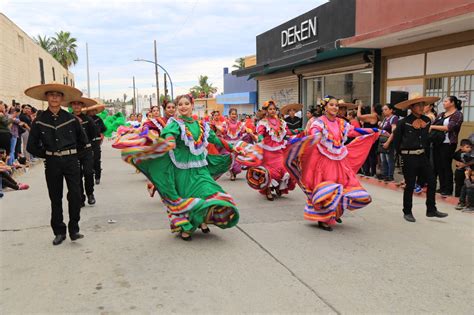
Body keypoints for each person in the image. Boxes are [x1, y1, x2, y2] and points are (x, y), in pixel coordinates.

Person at [114, 94, 240, 241]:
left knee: (210, 191)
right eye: (180, 104)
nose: (183, 107)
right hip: (182, 170)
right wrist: (168, 143)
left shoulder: (201, 125)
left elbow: (214, 138)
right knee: (189, 198)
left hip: (200, 168)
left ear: (192, 105)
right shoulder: (174, 123)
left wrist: (232, 148)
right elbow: (169, 137)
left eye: (186, 103)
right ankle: (188, 226)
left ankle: (202, 220)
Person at [284, 96, 382, 231]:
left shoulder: (341, 123)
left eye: (336, 105)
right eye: (332, 105)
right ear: (325, 108)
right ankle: (324, 218)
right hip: (323, 161)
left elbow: (354, 131)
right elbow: (314, 133)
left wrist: (373, 131)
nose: (335, 107)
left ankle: (334, 212)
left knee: (342, 185)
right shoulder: (319, 122)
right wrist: (312, 136)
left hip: (339, 161)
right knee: (327, 187)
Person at [25, 82, 87, 245]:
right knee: (55, 197)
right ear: (46, 97)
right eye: (51, 94)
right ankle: (59, 231)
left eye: (57, 95)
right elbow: (31, 146)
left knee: (75, 195)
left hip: (71, 161)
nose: (54, 97)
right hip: (52, 163)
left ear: (62, 98)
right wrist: (47, 154)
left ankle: (74, 229)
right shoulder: (39, 121)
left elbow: (83, 142)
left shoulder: (71, 119)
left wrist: (74, 156)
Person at [392, 95, 448, 222]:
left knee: (432, 181)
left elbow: (426, 140)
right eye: (418, 105)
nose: (422, 107)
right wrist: (402, 156)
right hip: (408, 157)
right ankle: (407, 211)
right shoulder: (403, 122)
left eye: (423, 105)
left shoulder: (427, 120)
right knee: (410, 185)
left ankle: (431, 209)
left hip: (423, 156)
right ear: (411, 107)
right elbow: (396, 142)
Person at [246, 101, 298, 201]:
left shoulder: (281, 122)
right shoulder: (263, 122)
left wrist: (297, 131)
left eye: (274, 109)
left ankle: (279, 187)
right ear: (266, 111)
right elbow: (260, 133)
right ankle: (268, 190)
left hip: (279, 150)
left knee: (283, 168)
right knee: (270, 172)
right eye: (270, 109)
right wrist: (260, 138)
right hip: (268, 151)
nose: (272, 111)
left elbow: (286, 132)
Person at [431, 96, 464, 197]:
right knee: (438, 165)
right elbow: (433, 123)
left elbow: (449, 127)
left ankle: (448, 189)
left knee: (446, 165)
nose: (443, 103)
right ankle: (442, 186)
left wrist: (432, 126)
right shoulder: (441, 114)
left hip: (449, 143)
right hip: (438, 142)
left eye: (446, 101)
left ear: (452, 103)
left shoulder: (458, 114)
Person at [69, 97, 98, 207]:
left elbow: (94, 133)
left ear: (82, 106)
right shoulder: (68, 118)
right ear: (71, 106)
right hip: (73, 152)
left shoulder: (88, 119)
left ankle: (90, 193)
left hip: (86, 150)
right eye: (74, 104)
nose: (76, 106)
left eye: (79, 104)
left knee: (88, 172)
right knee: (77, 176)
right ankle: (80, 197)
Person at [222, 108, 255, 181]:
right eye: (232, 114)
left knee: (237, 160)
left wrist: (250, 132)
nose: (234, 115)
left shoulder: (240, 123)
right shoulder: (225, 123)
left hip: (237, 144)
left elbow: (244, 130)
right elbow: (223, 131)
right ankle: (231, 173)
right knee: (230, 158)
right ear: (229, 115)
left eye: (235, 114)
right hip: (228, 144)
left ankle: (234, 172)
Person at [357, 101, 382, 177]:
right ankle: (369, 171)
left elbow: (359, 116)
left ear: (373, 108)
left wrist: (359, 107)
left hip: (370, 138)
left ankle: (371, 172)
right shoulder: (376, 116)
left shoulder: (373, 115)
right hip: (372, 138)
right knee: (371, 154)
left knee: (370, 154)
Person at [86, 103, 107, 185]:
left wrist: (102, 135)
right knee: (88, 160)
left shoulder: (98, 119)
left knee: (96, 159)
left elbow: (103, 129)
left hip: (96, 141)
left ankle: (97, 176)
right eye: (91, 110)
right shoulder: (84, 119)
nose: (93, 112)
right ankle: (89, 175)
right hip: (86, 142)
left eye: (94, 110)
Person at [378, 104, 399, 182]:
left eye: (386, 109)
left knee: (389, 159)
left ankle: (390, 176)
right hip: (382, 140)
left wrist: (388, 142)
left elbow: (394, 132)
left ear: (391, 110)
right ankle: (385, 174)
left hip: (389, 141)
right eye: (383, 110)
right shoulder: (385, 119)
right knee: (383, 159)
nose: (384, 111)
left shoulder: (394, 118)